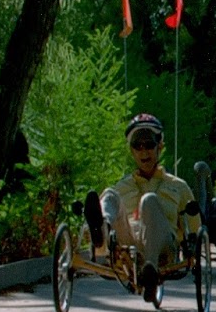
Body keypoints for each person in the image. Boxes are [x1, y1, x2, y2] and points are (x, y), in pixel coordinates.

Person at [83, 113, 200, 302]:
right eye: (137, 146)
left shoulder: (178, 186)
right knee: (109, 194)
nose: (144, 151)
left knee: (149, 201)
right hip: (129, 245)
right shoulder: (123, 186)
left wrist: (191, 246)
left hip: (162, 246)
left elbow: (195, 228)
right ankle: (100, 231)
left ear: (159, 145)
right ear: (132, 151)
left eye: (149, 144)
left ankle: (151, 270)